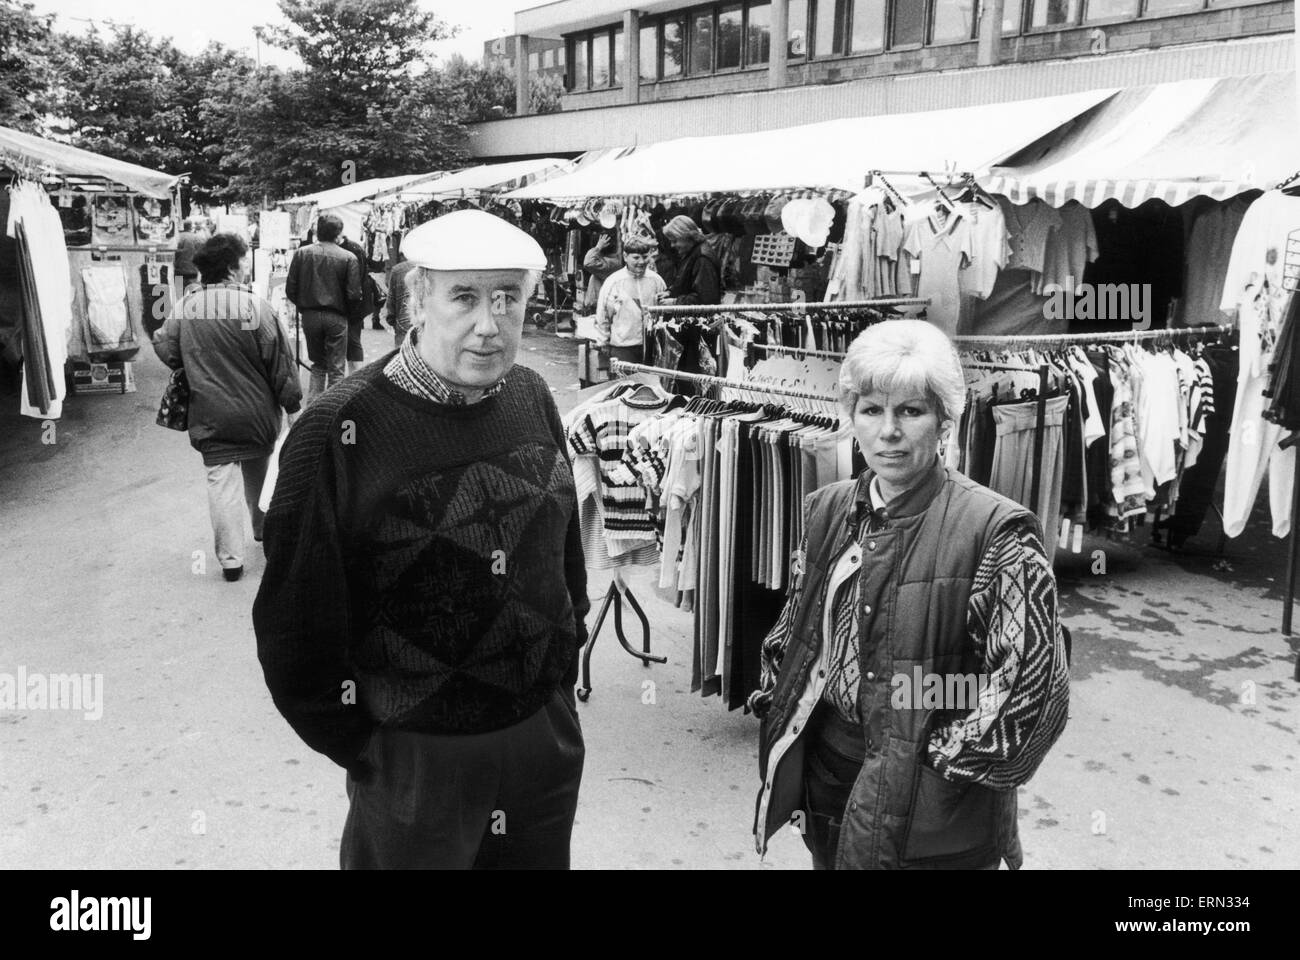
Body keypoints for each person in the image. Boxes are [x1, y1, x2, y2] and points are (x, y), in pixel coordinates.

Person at [253, 210, 590, 870]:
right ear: (417, 300)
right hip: (415, 762)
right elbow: (295, 623)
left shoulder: (531, 393)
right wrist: (367, 750)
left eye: (508, 297)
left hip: (540, 743)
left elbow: (562, 550)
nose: (489, 325)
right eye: (464, 297)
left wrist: (560, 670)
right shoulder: (337, 430)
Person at [749, 320, 1070, 870]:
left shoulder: (993, 531)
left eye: (910, 411)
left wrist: (941, 758)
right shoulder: (826, 508)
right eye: (871, 410)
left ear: (945, 420)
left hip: (932, 814)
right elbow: (797, 628)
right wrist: (777, 698)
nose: (888, 431)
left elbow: (1031, 688)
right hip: (830, 780)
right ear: (851, 417)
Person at [152, 233, 303, 583]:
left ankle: (231, 561)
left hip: (209, 413)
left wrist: (193, 363)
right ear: (233, 268)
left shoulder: (187, 307)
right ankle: (264, 534)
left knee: (221, 483)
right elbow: (279, 359)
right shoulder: (254, 307)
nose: (247, 266)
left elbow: (167, 348)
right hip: (256, 413)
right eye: (243, 261)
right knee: (260, 474)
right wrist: (293, 406)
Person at [285, 213, 361, 401]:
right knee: (337, 368)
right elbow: (354, 294)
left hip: (310, 316)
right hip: (336, 316)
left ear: (318, 231)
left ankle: (312, 408)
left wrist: (304, 307)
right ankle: (332, 409)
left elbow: (290, 288)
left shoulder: (302, 253)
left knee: (318, 364)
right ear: (338, 234)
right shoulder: (348, 257)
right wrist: (347, 315)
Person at [594, 233, 666, 365]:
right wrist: (603, 341)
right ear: (625, 257)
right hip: (623, 348)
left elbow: (664, 312)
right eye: (636, 257)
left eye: (645, 257)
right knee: (626, 384)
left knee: (650, 385)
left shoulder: (656, 280)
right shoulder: (614, 282)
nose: (641, 262)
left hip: (652, 347)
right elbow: (603, 314)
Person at [339, 232, 378, 374]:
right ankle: (353, 375)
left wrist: (354, 307)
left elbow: (357, 281)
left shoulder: (353, 249)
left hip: (355, 302)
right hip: (351, 300)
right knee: (351, 341)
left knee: (353, 341)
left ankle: (355, 376)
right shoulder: (350, 249)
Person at [662, 215, 722, 306]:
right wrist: (670, 292)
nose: (672, 245)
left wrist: (675, 302)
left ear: (687, 236)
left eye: (675, 241)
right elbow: (685, 283)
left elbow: (706, 298)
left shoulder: (702, 259)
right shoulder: (691, 253)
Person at [580, 229, 621, 315]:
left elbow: (588, 262)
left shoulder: (611, 263)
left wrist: (598, 246)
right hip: (599, 305)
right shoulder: (611, 261)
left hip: (600, 307)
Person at [385, 252, 418, 349]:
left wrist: (391, 320)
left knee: (403, 359)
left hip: (404, 324)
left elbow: (391, 301)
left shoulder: (397, 270)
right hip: (428, 325)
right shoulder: (434, 269)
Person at [173, 218, 208, 294]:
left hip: (178, 273)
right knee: (193, 297)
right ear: (190, 227)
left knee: (179, 298)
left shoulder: (176, 238)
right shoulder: (198, 238)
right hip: (193, 273)